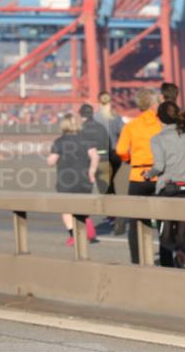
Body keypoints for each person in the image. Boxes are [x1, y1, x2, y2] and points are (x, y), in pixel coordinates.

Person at [144, 103, 185, 268]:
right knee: (182, 238)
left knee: (166, 238)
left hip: (168, 192)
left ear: (159, 118)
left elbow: (159, 167)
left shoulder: (157, 139)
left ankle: (169, 272)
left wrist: (148, 174)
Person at [116, 88, 165, 265]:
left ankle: (137, 260)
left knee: (135, 221)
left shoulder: (131, 126)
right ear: (152, 105)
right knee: (164, 220)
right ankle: (166, 258)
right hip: (160, 176)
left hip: (138, 176)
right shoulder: (162, 126)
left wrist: (129, 159)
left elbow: (121, 150)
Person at [47, 113, 98, 246]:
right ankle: (86, 222)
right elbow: (95, 156)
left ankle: (73, 235)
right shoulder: (86, 139)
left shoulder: (59, 141)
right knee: (82, 205)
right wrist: (92, 172)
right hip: (84, 180)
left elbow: (51, 161)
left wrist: (50, 157)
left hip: (66, 181)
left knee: (66, 209)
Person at [94, 92, 126, 233]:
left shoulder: (94, 118)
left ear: (99, 102)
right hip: (115, 154)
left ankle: (112, 215)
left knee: (105, 186)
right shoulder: (116, 117)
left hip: (102, 155)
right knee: (113, 182)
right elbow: (124, 132)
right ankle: (115, 212)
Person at [78, 103, 111, 196]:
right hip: (104, 161)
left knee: (85, 193)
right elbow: (108, 143)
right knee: (106, 192)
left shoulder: (81, 129)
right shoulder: (101, 127)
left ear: (81, 114)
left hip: (88, 163)